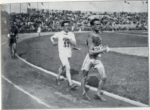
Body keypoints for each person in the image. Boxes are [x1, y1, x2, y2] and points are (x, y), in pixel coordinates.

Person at [81, 18, 109, 101]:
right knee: (84, 76)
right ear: (92, 26)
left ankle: (97, 93)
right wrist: (103, 50)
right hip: (89, 59)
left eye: (99, 24)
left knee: (104, 77)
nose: (99, 25)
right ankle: (83, 92)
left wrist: (103, 48)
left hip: (96, 59)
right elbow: (90, 52)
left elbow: (97, 47)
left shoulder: (99, 34)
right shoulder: (90, 36)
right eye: (96, 24)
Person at [50, 20, 78, 90]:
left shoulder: (71, 34)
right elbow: (51, 37)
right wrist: (53, 42)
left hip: (68, 53)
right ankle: (70, 83)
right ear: (62, 27)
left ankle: (57, 78)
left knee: (62, 66)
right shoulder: (59, 34)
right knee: (67, 67)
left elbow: (74, 43)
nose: (67, 27)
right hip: (62, 53)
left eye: (68, 25)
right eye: (65, 26)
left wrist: (68, 40)